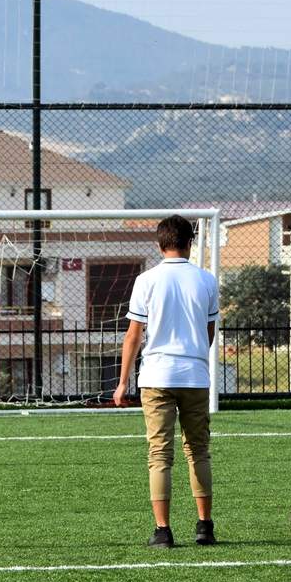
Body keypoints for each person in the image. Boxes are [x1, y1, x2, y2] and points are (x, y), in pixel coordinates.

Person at [114, 216, 220, 548]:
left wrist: (121, 382)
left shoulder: (146, 280)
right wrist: (195, 356)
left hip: (156, 376)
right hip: (195, 375)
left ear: (159, 245)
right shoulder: (206, 280)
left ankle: (163, 531)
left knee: (160, 454)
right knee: (198, 450)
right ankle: (204, 526)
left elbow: (133, 336)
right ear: (191, 242)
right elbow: (209, 332)